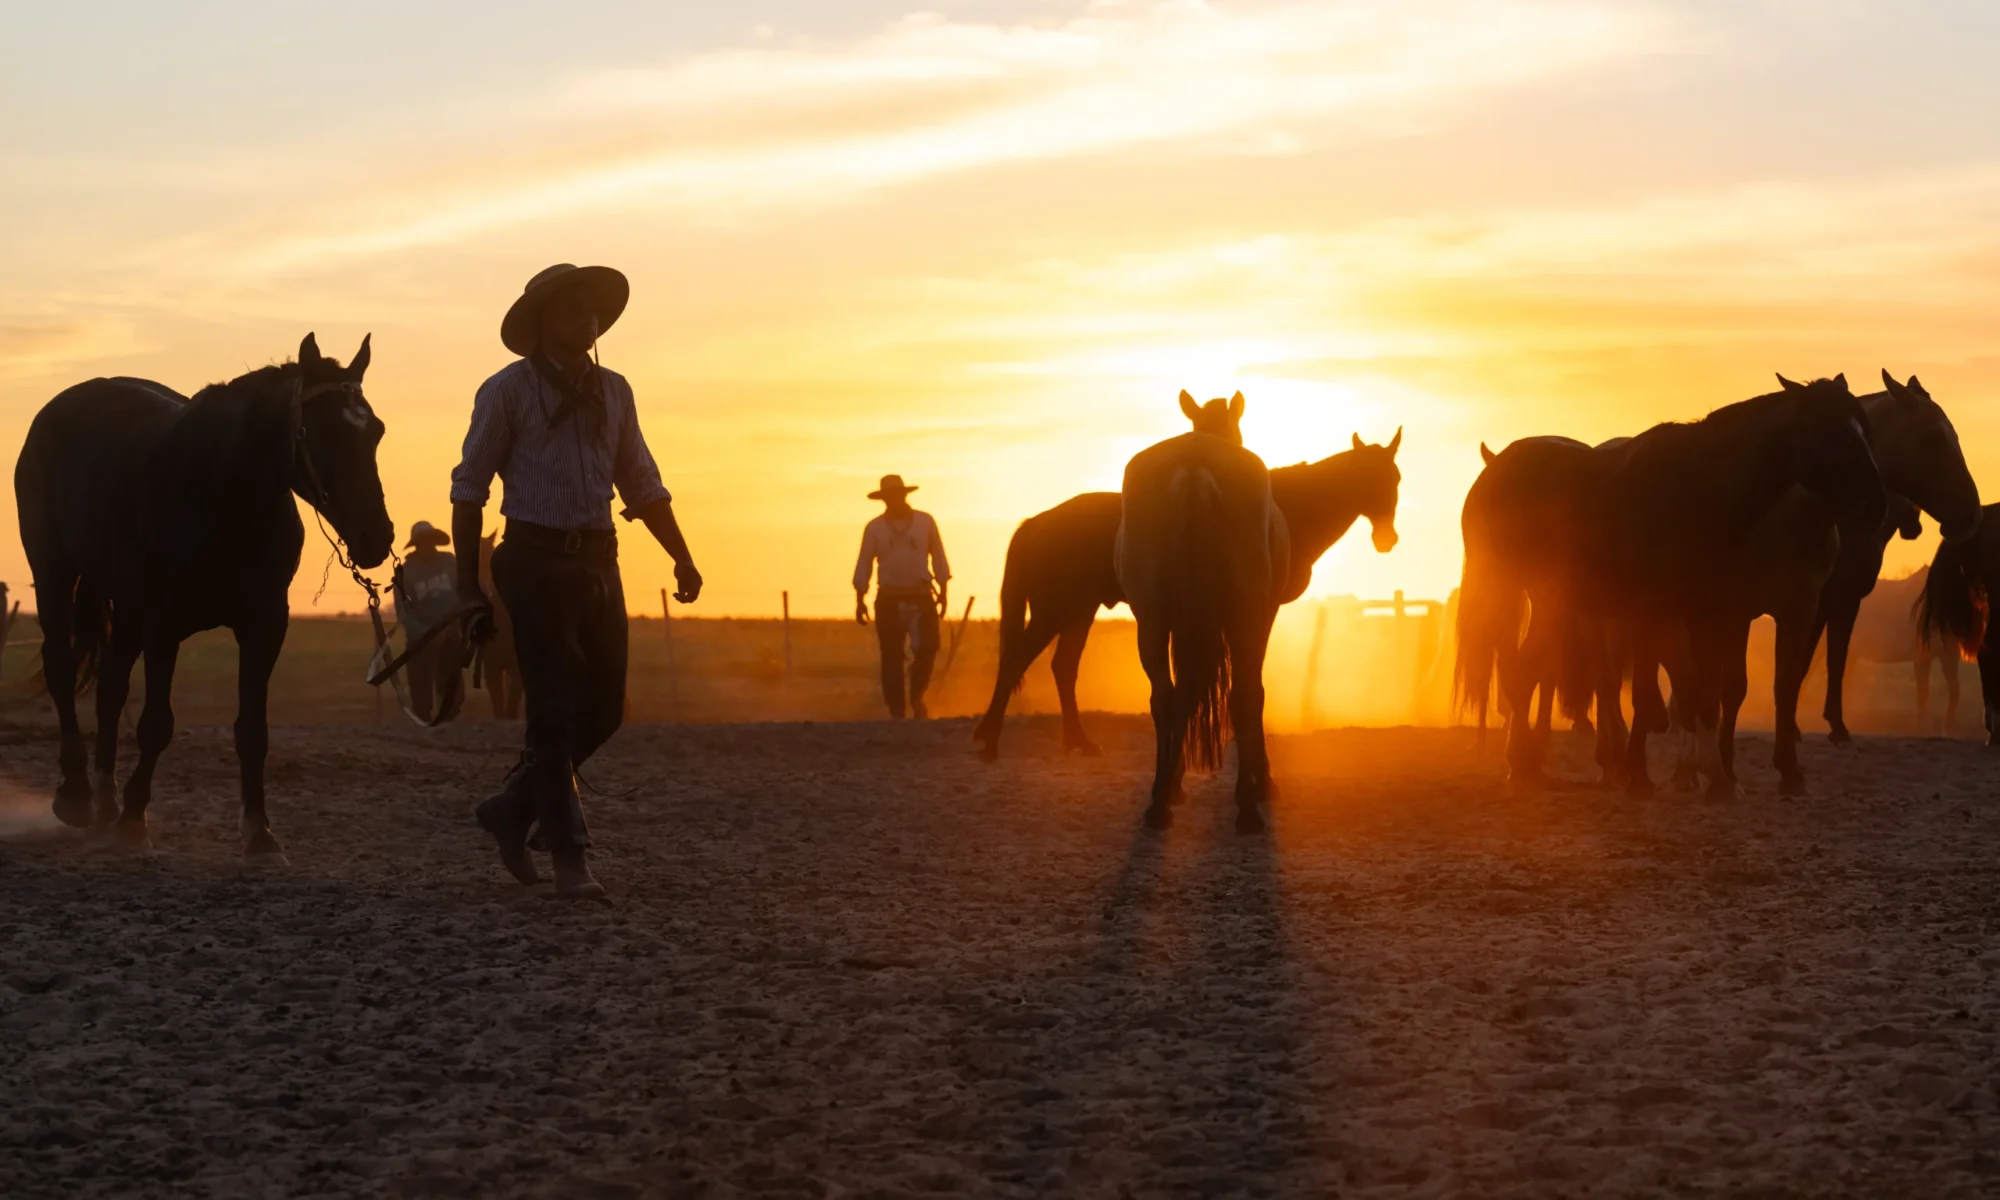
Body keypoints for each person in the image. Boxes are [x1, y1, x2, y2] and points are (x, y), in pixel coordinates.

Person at [450, 263, 703, 899]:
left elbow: (641, 480)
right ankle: (570, 856)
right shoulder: (506, 391)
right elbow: (469, 489)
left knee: (605, 709)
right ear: (542, 320)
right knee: (553, 709)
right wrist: (467, 588)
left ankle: (512, 807)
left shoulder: (615, 391)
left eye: (593, 308)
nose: (589, 318)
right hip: (533, 561)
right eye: (573, 307)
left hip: (599, 560)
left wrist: (682, 556)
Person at [853, 475, 951, 719]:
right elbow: (864, 563)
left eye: (897, 495)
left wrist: (943, 591)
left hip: (921, 596)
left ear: (905, 495)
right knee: (891, 656)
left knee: (928, 648)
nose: (894, 500)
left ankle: (917, 696)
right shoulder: (874, 528)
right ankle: (896, 710)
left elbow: (938, 556)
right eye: (889, 497)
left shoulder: (925, 522)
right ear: (884, 499)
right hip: (888, 599)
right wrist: (860, 599)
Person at [392, 521, 465, 721]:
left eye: (430, 540)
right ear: (416, 544)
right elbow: (404, 613)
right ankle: (423, 723)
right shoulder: (405, 572)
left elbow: (463, 592)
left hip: (450, 635)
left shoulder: (450, 562)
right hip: (420, 642)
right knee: (421, 694)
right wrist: (426, 634)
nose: (427, 545)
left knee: (452, 692)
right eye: (422, 541)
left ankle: (450, 723)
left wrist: (455, 623)